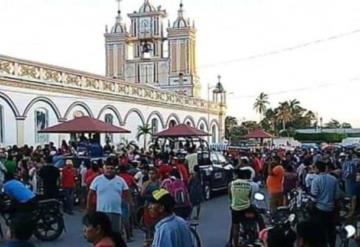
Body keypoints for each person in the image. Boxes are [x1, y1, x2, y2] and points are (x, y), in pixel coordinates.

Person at [87, 157, 130, 233]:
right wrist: (88, 209)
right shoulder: (97, 180)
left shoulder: (120, 180)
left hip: (116, 212)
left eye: (112, 168)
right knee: (101, 234)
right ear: (104, 169)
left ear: (115, 169)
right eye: (107, 168)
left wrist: (130, 206)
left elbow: (127, 194)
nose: (109, 170)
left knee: (115, 234)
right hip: (101, 213)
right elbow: (90, 194)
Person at [310, 160, 340, 247]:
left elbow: (314, 197)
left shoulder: (316, 180)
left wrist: (311, 207)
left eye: (314, 168)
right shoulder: (333, 179)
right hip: (331, 209)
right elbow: (337, 196)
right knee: (331, 230)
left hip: (320, 209)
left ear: (317, 169)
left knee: (320, 232)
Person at [229, 168, 252, 247]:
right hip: (246, 208)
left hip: (235, 208)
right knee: (247, 226)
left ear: (237, 175)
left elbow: (230, 197)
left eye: (234, 175)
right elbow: (249, 196)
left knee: (236, 228)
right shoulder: (249, 184)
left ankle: (235, 244)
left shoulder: (231, 184)